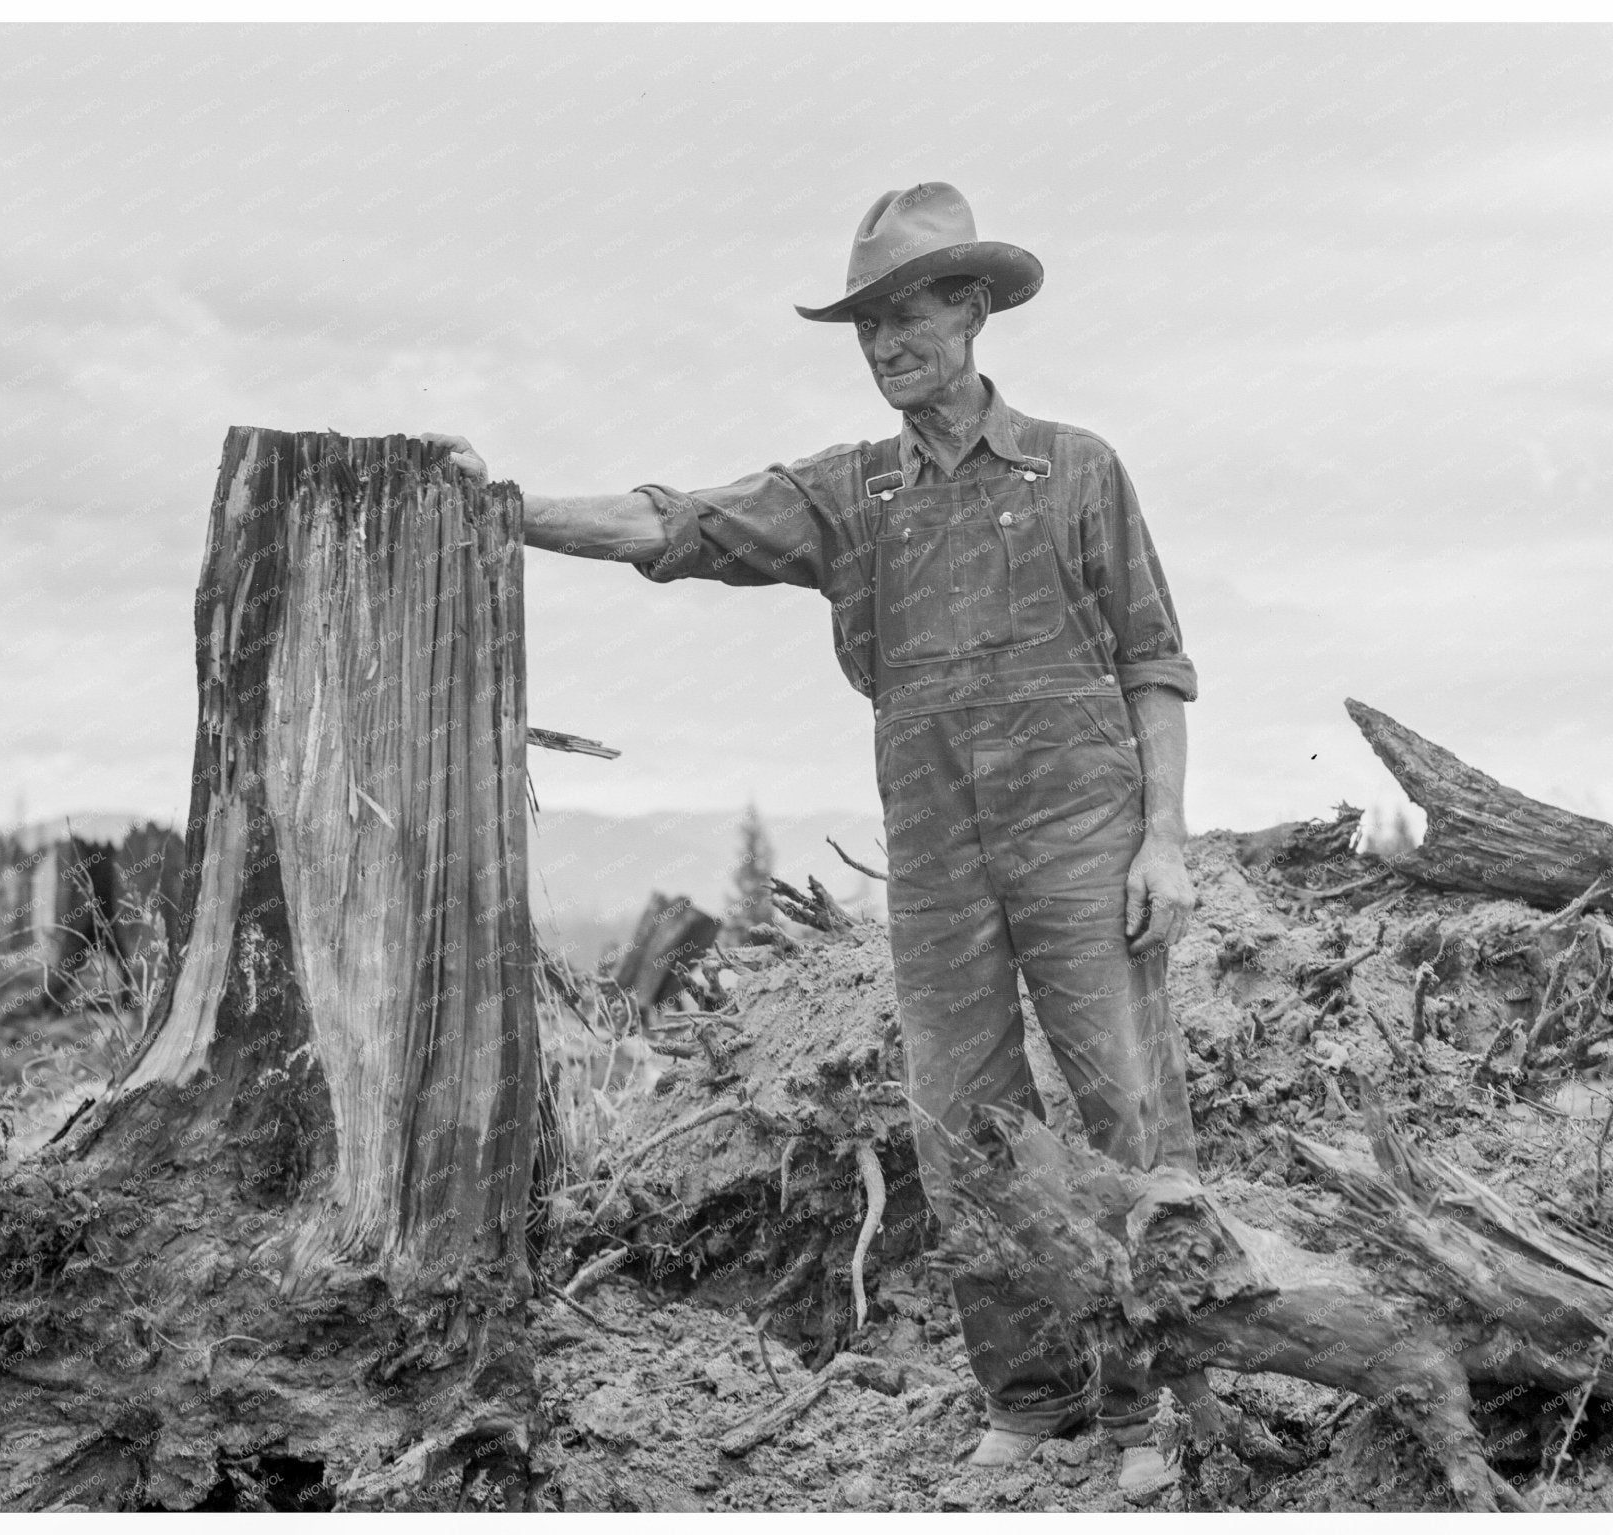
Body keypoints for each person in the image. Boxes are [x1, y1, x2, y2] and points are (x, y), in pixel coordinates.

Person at [428, 181, 1203, 1472]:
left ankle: (1155, 1404)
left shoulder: (1078, 468)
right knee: (962, 1122)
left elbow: (1155, 663)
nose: (888, 344)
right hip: (941, 848)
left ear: (972, 309)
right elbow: (677, 521)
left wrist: (1163, 839)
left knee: (1128, 1107)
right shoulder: (856, 493)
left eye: (911, 315)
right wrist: (508, 510)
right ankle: (1031, 1399)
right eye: (868, 326)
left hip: (1084, 829)